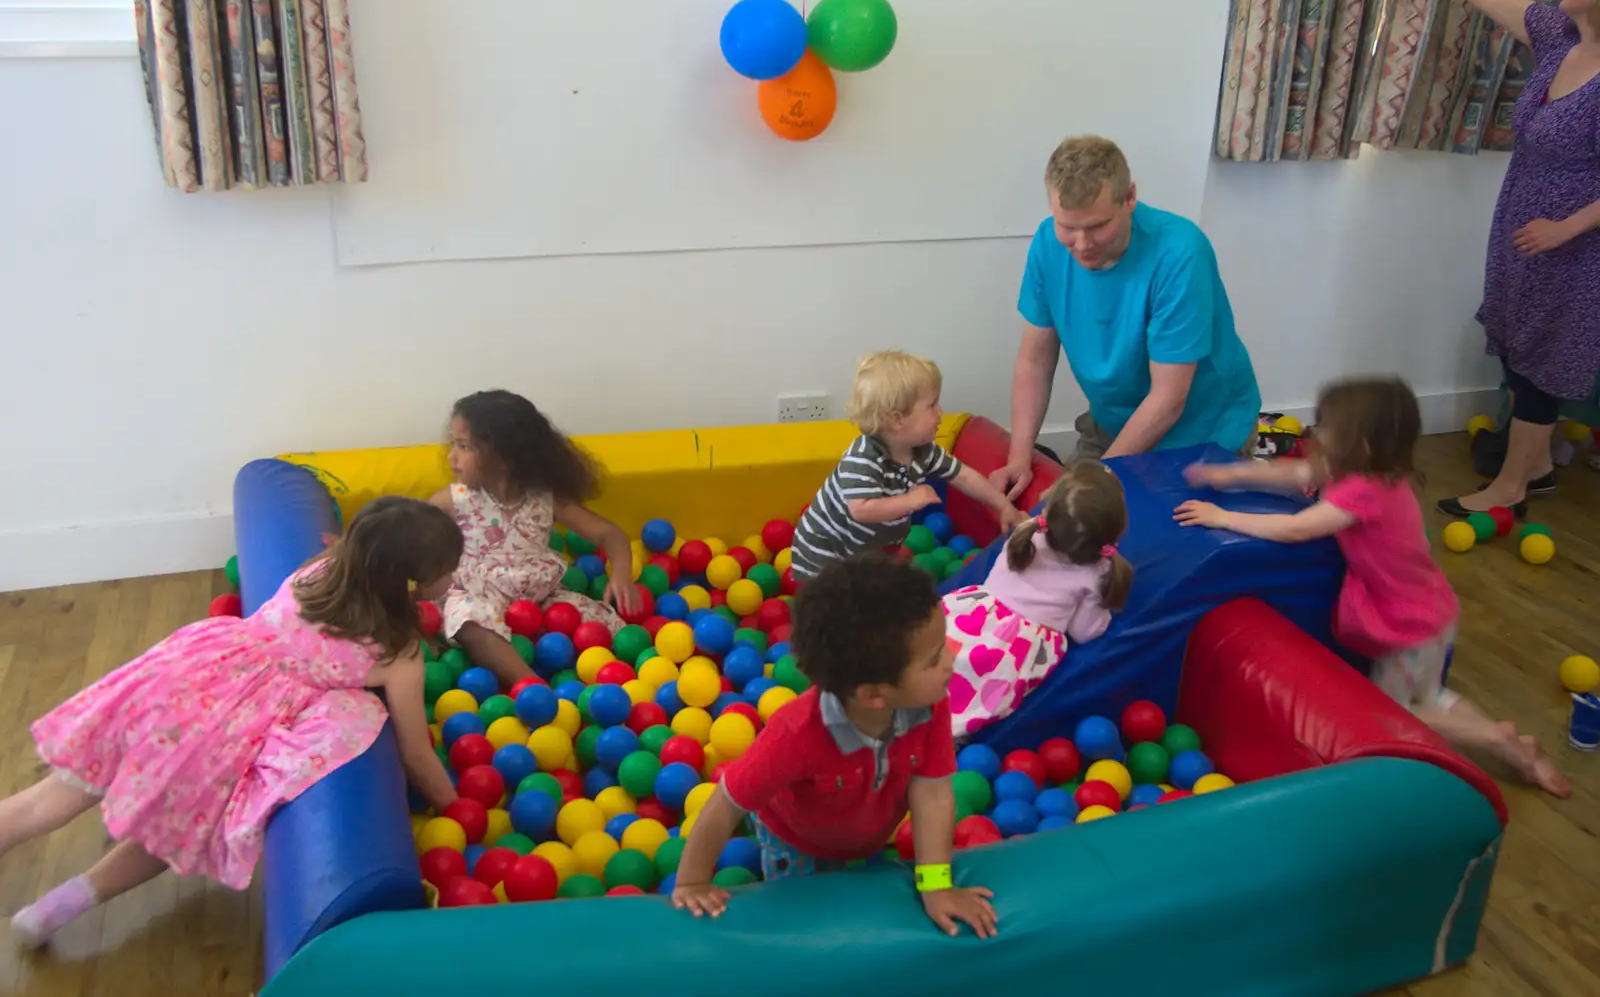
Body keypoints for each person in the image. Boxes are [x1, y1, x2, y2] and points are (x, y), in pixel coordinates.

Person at [2, 497, 463, 947]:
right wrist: (454, 805)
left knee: (60, 793)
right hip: (223, 731)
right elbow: (415, 751)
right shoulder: (396, 651)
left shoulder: (319, 572)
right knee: (167, 832)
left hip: (184, 681)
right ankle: (58, 907)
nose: (454, 576)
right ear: (411, 584)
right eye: (447, 569)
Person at [1175, 377, 1570, 798]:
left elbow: (1296, 529)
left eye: (1327, 427)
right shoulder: (1369, 471)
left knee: (1395, 711)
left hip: (1410, 624)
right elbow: (1296, 473)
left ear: (1359, 445)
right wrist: (1229, 474)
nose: (1315, 431)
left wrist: (1223, 518)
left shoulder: (1363, 491)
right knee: (1430, 697)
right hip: (1429, 610)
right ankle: (1504, 737)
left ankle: (1495, 739)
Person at [671, 555, 998, 939]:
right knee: (808, 930)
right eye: (934, 658)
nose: (953, 657)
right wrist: (692, 883)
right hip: (798, 840)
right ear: (873, 694)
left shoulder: (928, 703)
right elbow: (727, 801)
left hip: (867, 825)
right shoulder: (795, 735)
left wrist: (936, 885)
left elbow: (932, 793)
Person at [990, 136, 1261, 502]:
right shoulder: (1046, 243)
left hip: (1202, 433)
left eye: (1098, 226)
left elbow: (1168, 399)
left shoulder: (1180, 253)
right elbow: (1034, 360)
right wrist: (1019, 456)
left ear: (1129, 198)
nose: (1082, 244)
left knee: (1159, 546)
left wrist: (1088, 483)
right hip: (1113, 424)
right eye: (1068, 227)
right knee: (1062, 533)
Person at [1438, 0, 1600, 516]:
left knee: (1541, 355)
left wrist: (1567, 228)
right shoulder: (1561, 36)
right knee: (1512, 339)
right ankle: (1538, 465)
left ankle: (1512, 485)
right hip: (1519, 224)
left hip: (1576, 244)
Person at [431, 390, 639, 686]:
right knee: (468, 622)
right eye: (453, 443)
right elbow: (404, 535)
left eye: (463, 446)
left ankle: (608, 682)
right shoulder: (455, 500)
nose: (451, 456)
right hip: (479, 596)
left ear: (503, 457)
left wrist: (622, 577)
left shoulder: (544, 497)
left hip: (540, 599)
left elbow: (610, 534)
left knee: (609, 630)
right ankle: (532, 686)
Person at [788, 351, 1027, 582]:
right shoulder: (863, 459)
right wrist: (912, 501)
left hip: (868, 552)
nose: (940, 413)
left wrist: (1003, 506)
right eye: (932, 405)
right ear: (897, 420)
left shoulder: (923, 451)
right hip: (825, 554)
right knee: (837, 609)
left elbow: (964, 477)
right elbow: (861, 509)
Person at [944, 461, 1133, 739]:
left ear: (1049, 511)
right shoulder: (1097, 571)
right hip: (1015, 645)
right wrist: (1102, 617)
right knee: (982, 685)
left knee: (945, 655)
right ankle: (951, 732)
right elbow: (1083, 632)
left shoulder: (1030, 530)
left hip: (974, 615)